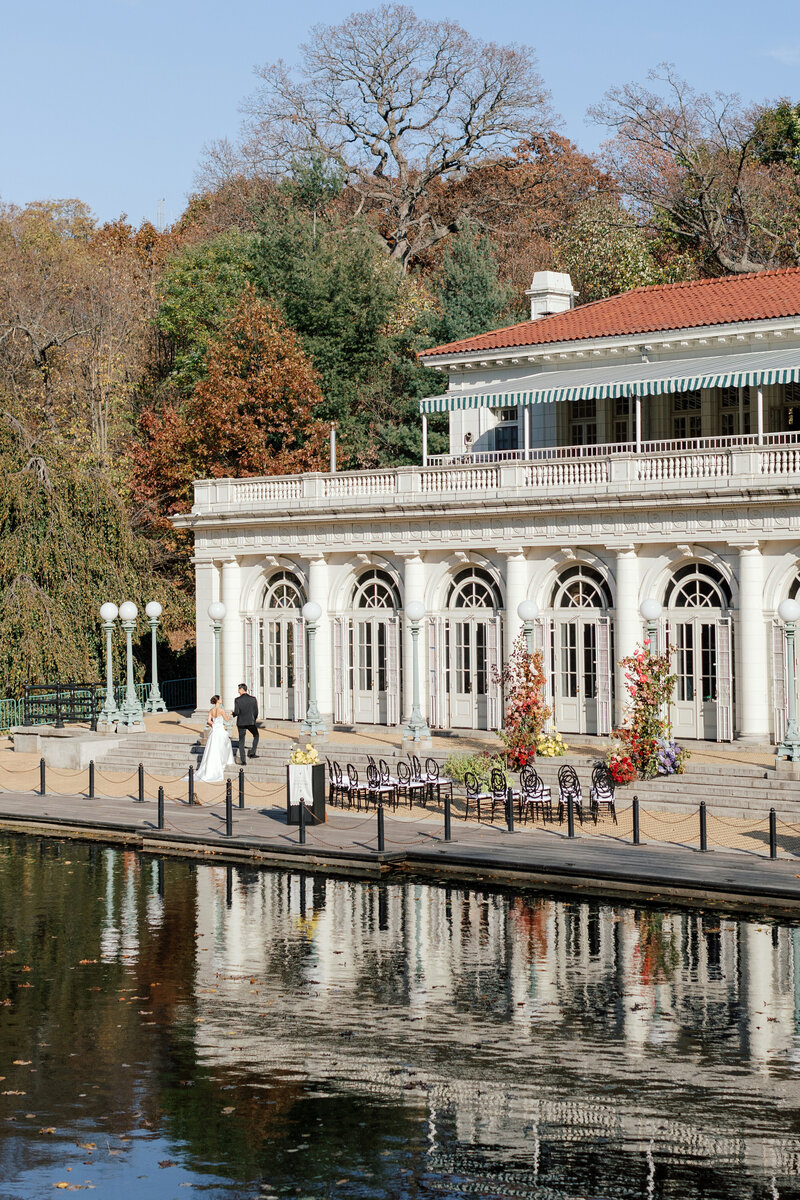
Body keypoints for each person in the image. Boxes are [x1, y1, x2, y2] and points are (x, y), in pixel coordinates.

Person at [193, 695, 234, 784]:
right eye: (220, 699)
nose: (221, 700)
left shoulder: (211, 710)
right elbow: (226, 720)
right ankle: (224, 761)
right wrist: (230, 714)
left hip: (214, 730)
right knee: (224, 745)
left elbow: (208, 721)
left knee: (213, 747)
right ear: (218, 701)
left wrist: (214, 725)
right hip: (220, 730)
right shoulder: (221, 710)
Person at [233, 683, 259, 765]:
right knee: (256, 735)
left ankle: (243, 760)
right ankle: (252, 752)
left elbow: (237, 712)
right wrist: (253, 719)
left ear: (241, 689)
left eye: (238, 689)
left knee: (241, 740)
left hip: (241, 722)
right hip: (250, 722)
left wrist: (232, 713)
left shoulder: (237, 700)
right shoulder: (253, 699)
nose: (238, 691)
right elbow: (256, 712)